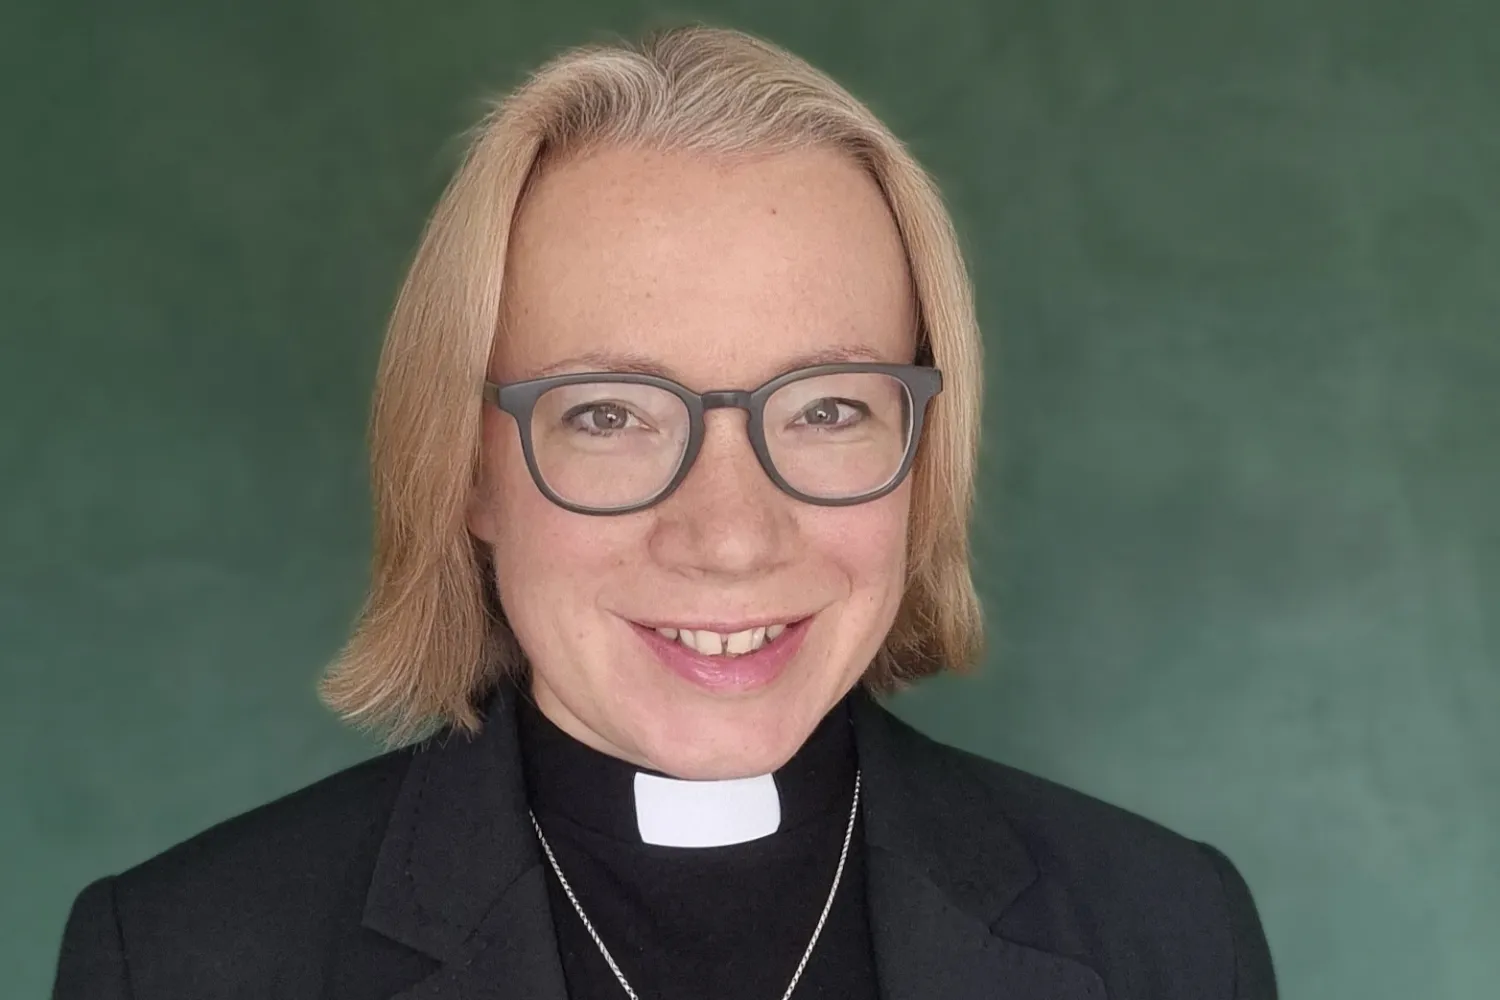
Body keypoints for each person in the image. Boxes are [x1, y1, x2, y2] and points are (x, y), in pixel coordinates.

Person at [53, 24, 1277, 1000]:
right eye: (609, 414)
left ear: (920, 453)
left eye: (827, 409)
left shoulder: (1163, 934)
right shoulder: (177, 958)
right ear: (467, 470)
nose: (732, 535)